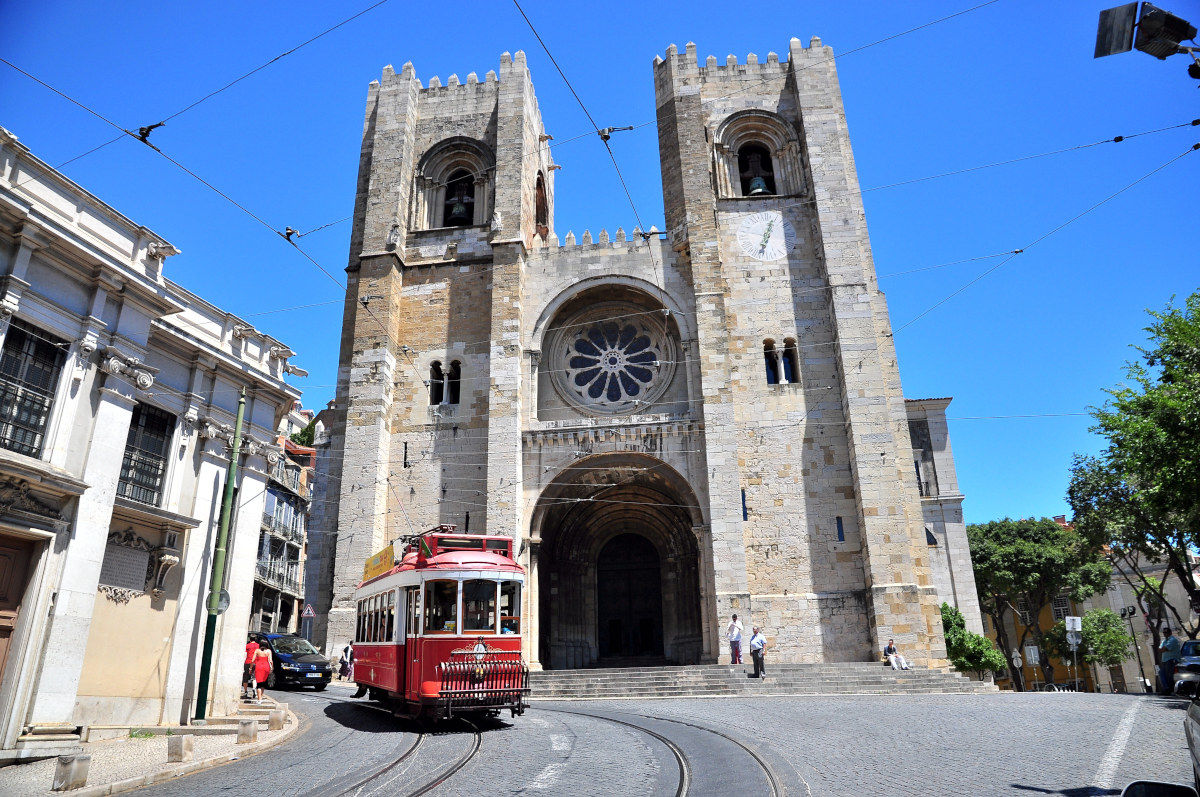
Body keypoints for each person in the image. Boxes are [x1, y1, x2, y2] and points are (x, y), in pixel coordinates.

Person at [1159, 627, 1182, 695]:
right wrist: (1163, 649)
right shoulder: (1164, 641)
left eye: (1166, 632)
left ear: (1170, 633)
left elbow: (1164, 649)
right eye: (1164, 632)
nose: (1164, 634)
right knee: (1162, 674)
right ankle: (1166, 688)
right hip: (1165, 660)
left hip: (1171, 660)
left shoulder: (1172, 640)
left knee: (1169, 676)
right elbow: (1160, 649)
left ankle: (1170, 690)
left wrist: (1163, 649)